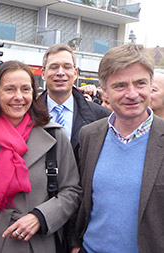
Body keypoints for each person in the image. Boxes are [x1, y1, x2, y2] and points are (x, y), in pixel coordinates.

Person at [0, 61, 81, 252]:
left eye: (25, 89)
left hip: (39, 241)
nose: (19, 97)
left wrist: (40, 217)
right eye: (10, 89)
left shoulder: (54, 135)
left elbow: (72, 191)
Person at [74, 43, 164, 252]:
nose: (132, 94)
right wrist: (74, 244)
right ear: (104, 91)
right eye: (120, 86)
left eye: (140, 83)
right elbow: (81, 199)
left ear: (151, 85)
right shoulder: (89, 136)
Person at [38, 44, 110, 163]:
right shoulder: (28, 114)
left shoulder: (101, 117)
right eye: (54, 67)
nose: (60, 72)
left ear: (75, 73)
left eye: (66, 67)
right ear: (43, 74)